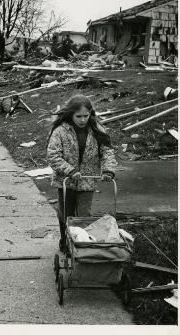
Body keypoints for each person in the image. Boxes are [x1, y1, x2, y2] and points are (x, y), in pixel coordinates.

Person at [46, 94, 117, 253]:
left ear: (90, 114)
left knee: (84, 215)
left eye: (86, 116)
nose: (83, 120)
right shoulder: (61, 131)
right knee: (66, 213)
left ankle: (81, 244)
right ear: (71, 114)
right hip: (66, 180)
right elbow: (53, 155)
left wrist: (108, 170)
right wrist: (69, 170)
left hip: (87, 180)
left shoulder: (96, 128)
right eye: (78, 116)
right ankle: (65, 239)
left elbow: (107, 151)